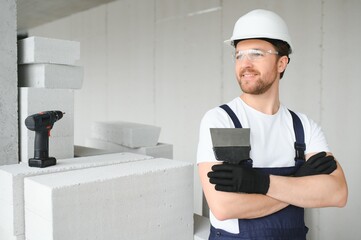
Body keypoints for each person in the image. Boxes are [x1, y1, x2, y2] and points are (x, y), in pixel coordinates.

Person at [197, 9, 348, 240]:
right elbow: (225, 206)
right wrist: (299, 182)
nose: (244, 64)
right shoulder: (226, 121)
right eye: (238, 55)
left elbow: (336, 193)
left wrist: (259, 183)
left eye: (256, 54)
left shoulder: (303, 127)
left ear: (281, 63)